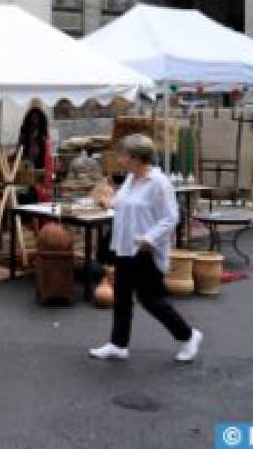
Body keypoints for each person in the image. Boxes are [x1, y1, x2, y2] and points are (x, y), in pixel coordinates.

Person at [89, 134, 202, 362]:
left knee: (151, 299)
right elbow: (122, 205)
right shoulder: (131, 179)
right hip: (124, 246)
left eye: (125, 156)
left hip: (144, 250)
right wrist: (107, 202)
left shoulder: (159, 183)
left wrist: (149, 238)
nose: (121, 160)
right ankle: (118, 344)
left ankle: (189, 335)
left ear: (138, 159)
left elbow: (171, 218)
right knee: (121, 297)